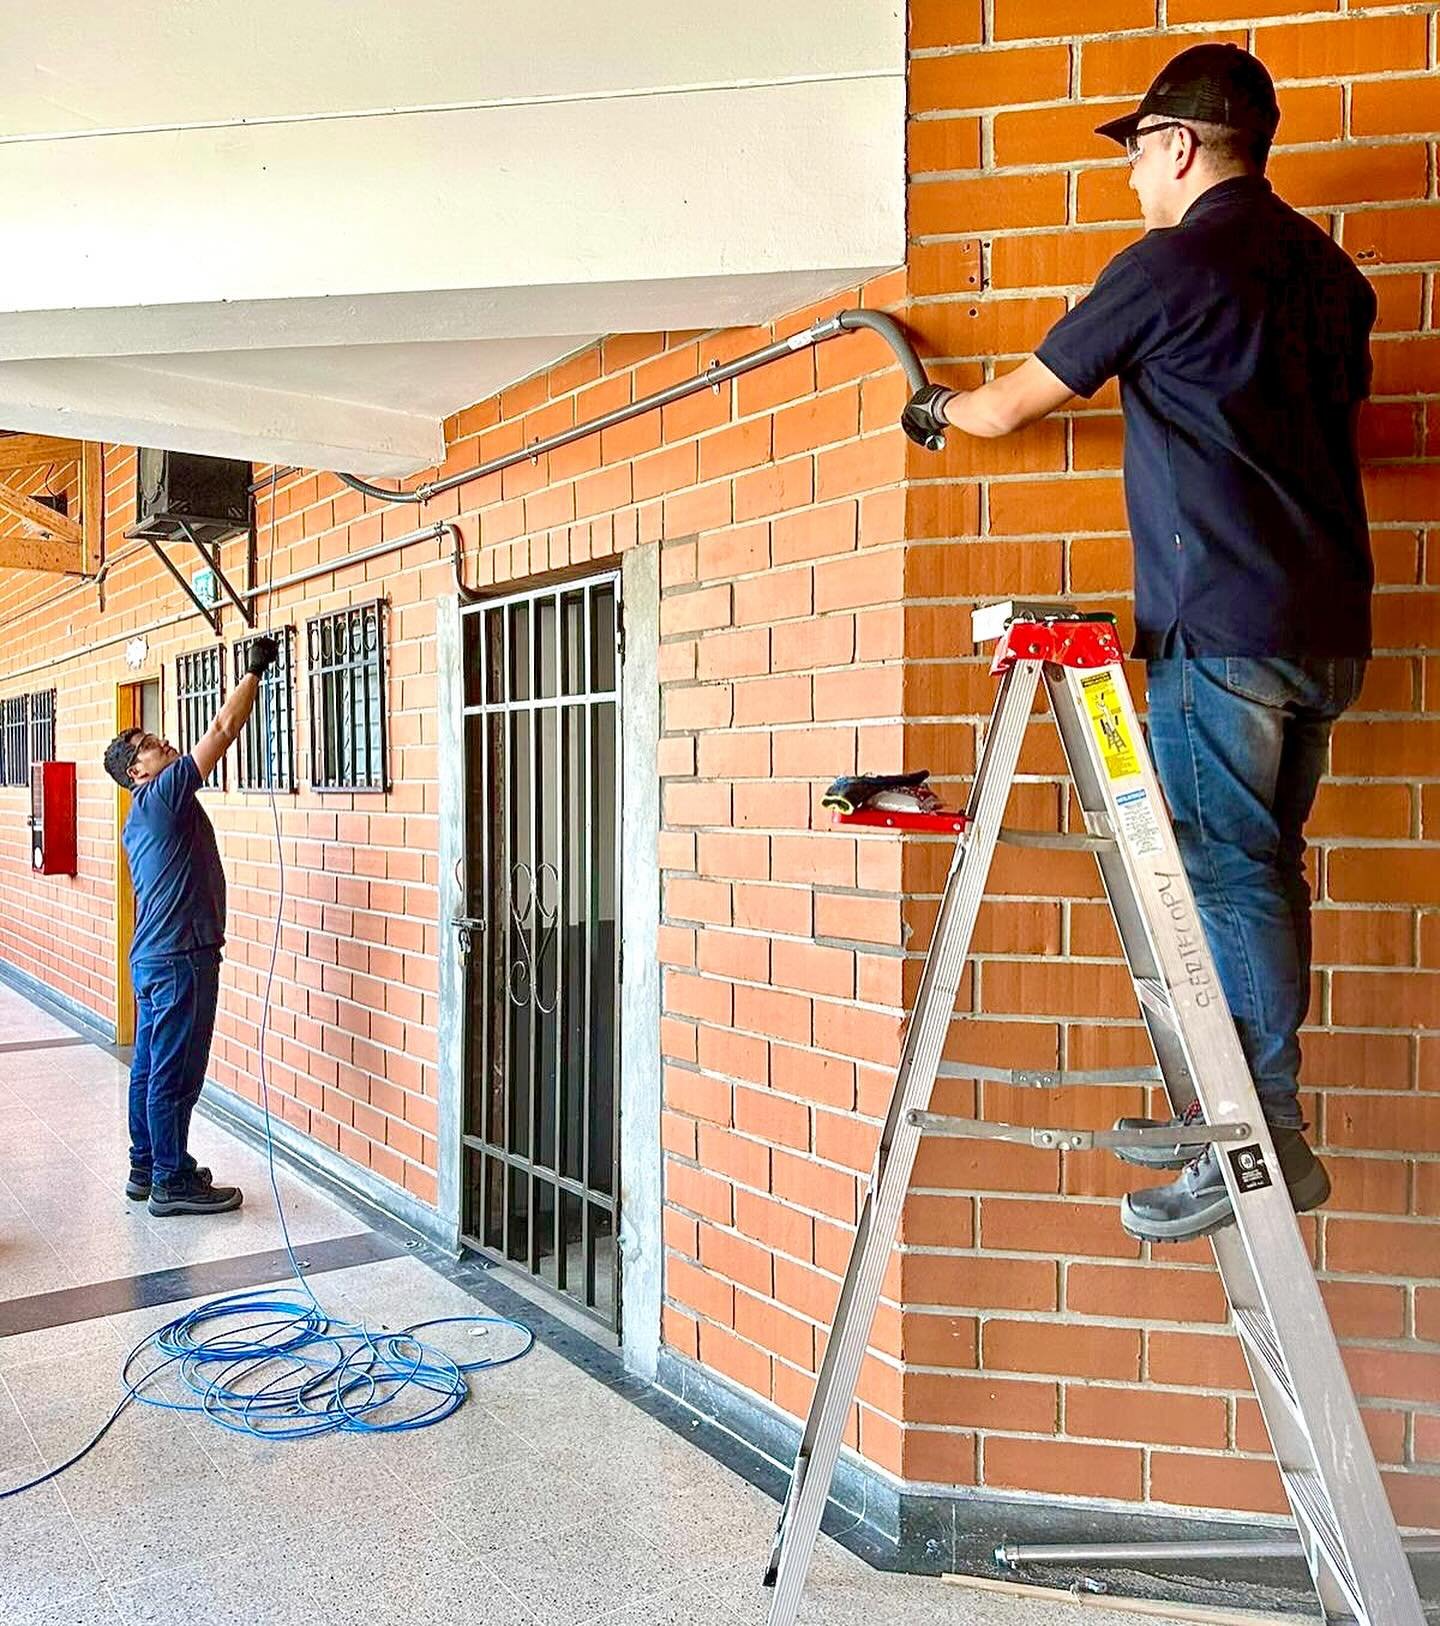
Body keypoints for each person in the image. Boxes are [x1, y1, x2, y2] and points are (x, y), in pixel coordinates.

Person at [901, 43, 1377, 1244]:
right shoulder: (1332, 278)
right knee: (1260, 865)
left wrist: (934, 409)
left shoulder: (1168, 267)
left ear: (1177, 146)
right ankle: (1252, 1116)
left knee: (1229, 870)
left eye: (1135, 158)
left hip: (1222, 629)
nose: (1129, 183)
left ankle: (1260, 1135)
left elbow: (1011, 404)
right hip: (1324, 631)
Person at [103, 634, 278, 1216]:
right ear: (137, 770)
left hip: (155, 959)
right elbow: (225, 729)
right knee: (176, 1072)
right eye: (152, 744)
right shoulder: (164, 792)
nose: (166, 743)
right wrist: (255, 670)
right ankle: (172, 1183)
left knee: (151, 1065)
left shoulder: (138, 816)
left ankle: (147, 1165)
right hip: (181, 959)